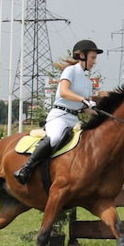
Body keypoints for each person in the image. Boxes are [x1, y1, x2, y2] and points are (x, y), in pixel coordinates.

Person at [14, 39, 102, 184]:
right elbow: (64, 92)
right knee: (54, 138)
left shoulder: (88, 82)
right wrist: (83, 100)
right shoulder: (70, 71)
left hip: (74, 119)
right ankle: (26, 168)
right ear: (81, 56)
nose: (94, 61)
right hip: (60, 116)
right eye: (93, 57)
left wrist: (97, 112)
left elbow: (85, 108)